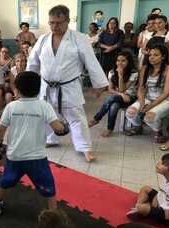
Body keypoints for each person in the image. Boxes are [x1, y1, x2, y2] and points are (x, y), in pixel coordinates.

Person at [26, 5, 108, 162]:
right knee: (47, 115)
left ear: (68, 21)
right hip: (46, 86)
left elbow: (91, 62)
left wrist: (99, 84)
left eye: (58, 22)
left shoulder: (80, 38)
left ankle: (84, 148)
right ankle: (51, 139)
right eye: (51, 22)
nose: (54, 26)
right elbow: (33, 63)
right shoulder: (43, 39)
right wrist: (27, 84)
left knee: (76, 117)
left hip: (69, 86)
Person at [0, 71, 68, 216]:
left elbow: (0, 131)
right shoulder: (44, 106)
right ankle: (54, 214)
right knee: (48, 184)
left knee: (6, 179)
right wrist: (65, 127)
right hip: (37, 157)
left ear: (17, 90)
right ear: (38, 90)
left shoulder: (11, 107)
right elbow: (58, 128)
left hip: (15, 156)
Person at [125, 44, 169, 143]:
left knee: (149, 117)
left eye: (155, 55)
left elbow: (167, 92)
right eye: (150, 55)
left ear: (163, 57)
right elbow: (140, 88)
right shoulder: (144, 68)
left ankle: (158, 132)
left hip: (166, 99)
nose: (151, 57)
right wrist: (143, 103)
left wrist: (150, 106)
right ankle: (138, 127)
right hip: (148, 98)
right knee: (130, 112)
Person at [127, 153, 169, 224]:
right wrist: (156, 200)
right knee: (145, 188)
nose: (158, 164)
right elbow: (162, 191)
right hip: (163, 202)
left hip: (167, 213)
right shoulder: (168, 177)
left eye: (163, 164)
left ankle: (141, 210)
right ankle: (138, 208)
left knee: (143, 208)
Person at [88, 51, 138, 137]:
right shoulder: (112, 72)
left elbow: (122, 89)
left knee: (112, 98)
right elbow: (110, 89)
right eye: (118, 60)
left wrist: (121, 75)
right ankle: (109, 129)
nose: (120, 63)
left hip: (131, 97)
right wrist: (121, 94)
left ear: (128, 62)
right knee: (114, 105)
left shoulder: (134, 73)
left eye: (123, 60)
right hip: (119, 97)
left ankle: (97, 118)